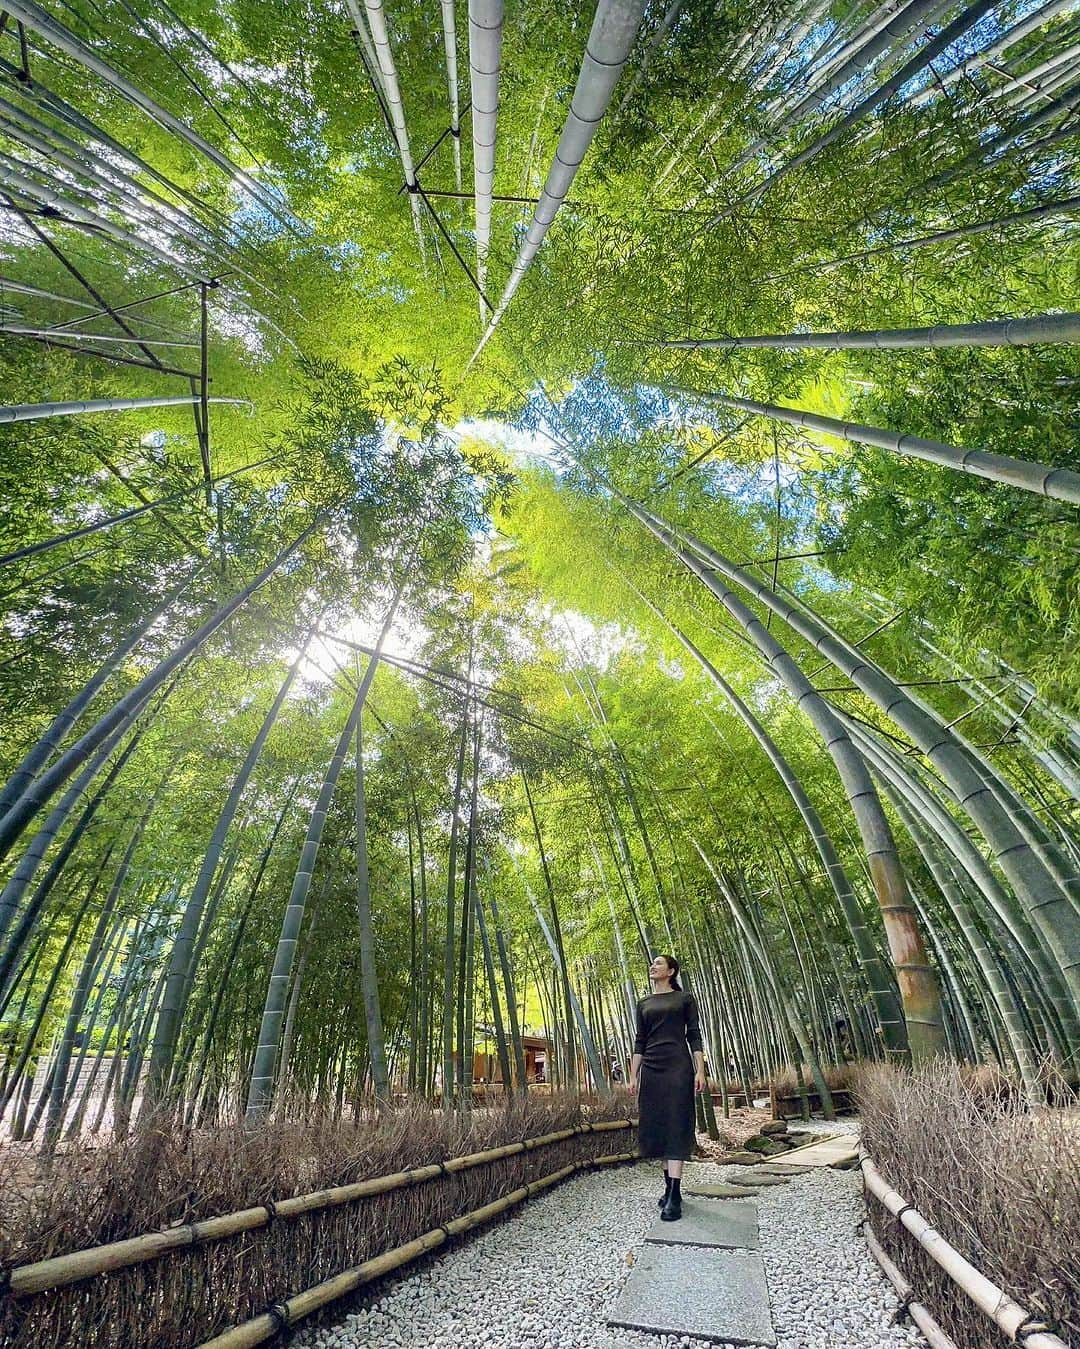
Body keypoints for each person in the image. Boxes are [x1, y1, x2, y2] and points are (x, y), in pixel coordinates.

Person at [628, 954, 706, 1222]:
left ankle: (674, 1195)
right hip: (651, 1067)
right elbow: (640, 1040)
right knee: (659, 1125)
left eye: (659, 963)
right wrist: (633, 1075)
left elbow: (693, 1034)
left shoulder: (684, 999)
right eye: (652, 963)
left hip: (678, 1066)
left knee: (676, 1123)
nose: (653, 966)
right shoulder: (643, 1003)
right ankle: (670, 1189)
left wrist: (700, 1070)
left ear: (671, 971)